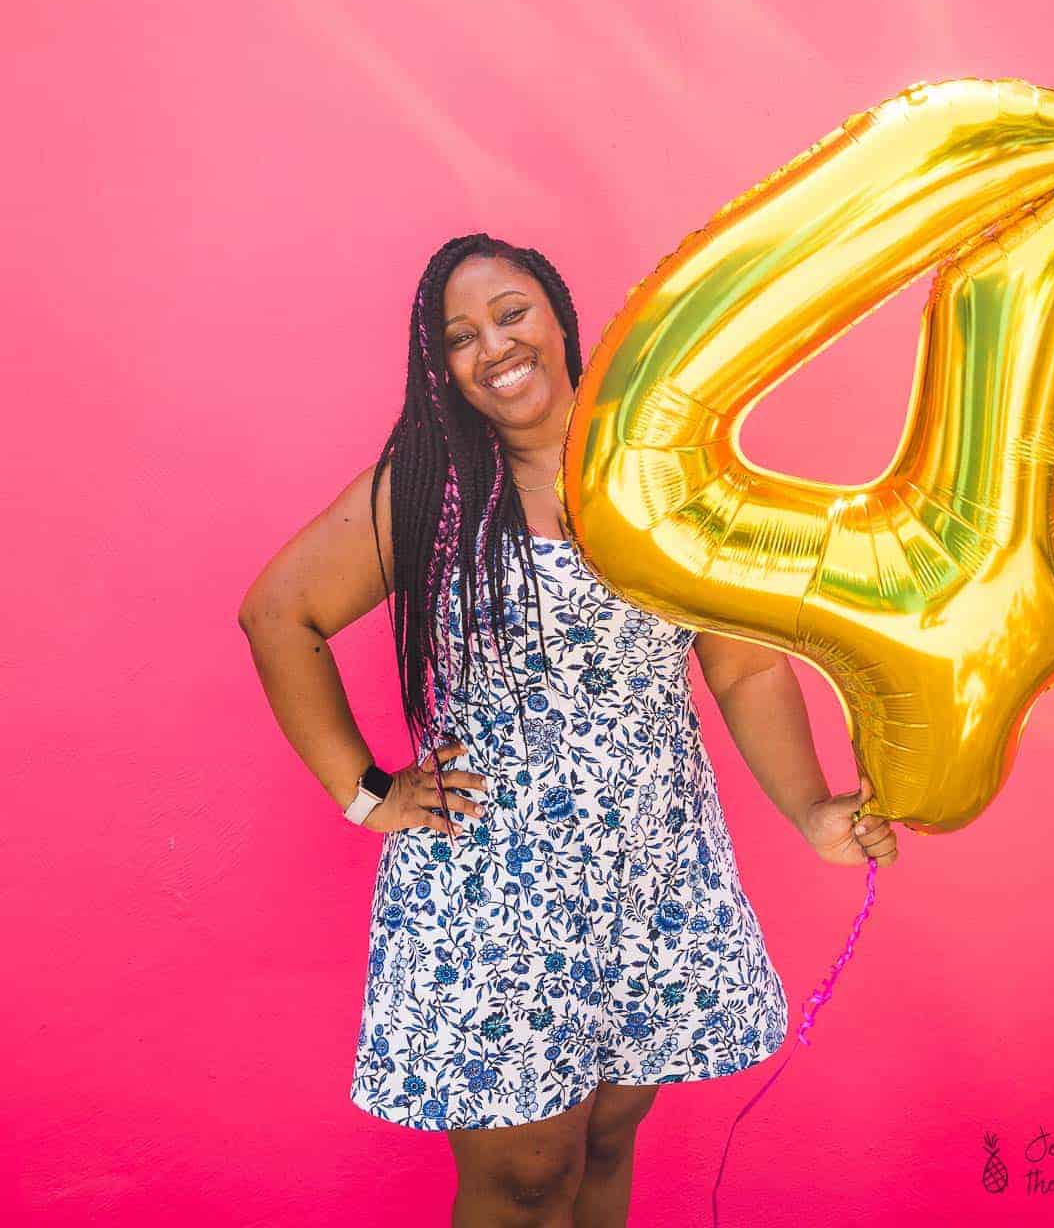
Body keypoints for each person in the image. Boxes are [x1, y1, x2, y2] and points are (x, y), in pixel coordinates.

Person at [238, 232, 897, 1227]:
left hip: (653, 868)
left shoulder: (661, 477)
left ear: (559, 318)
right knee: (524, 1179)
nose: (494, 347)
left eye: (511, 313)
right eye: (461, 337)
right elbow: (278, 614)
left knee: (603, 1143)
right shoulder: (433, 493)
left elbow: (745, 662)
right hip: (502, 891)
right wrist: (368, 793)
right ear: (443, 369)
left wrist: (812, 809)